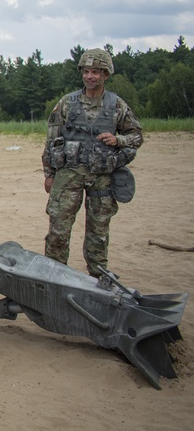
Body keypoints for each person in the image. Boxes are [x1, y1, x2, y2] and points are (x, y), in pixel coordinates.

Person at [43, 48, 143, 277]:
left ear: (106, 74)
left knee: (98, 233)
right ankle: (53, 278)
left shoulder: (117, 105)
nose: (90, 76)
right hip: (68, 175)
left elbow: (137, 136)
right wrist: (49, 174)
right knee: (58, 230)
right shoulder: (67, 103)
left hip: (102, 179)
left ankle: (98, 278)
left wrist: (118, 140)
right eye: (86, 71)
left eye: (96, 72)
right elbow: (51, 139)